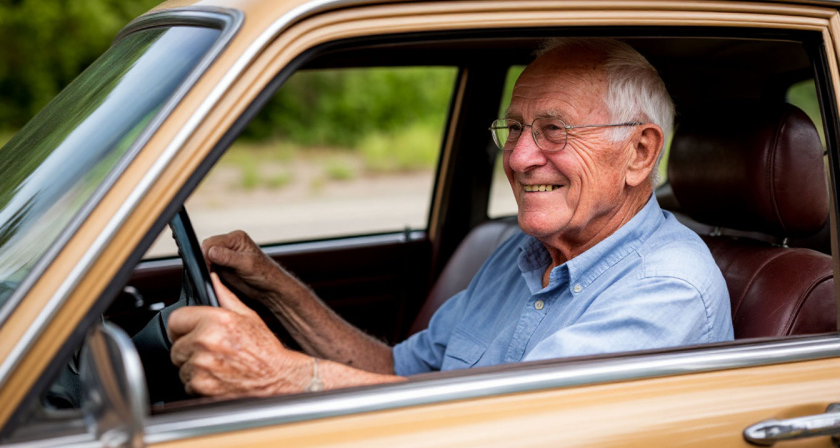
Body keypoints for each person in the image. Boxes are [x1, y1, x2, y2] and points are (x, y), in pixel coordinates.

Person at [167, 38, 734, 398]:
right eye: (514, 129)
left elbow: (508, 427)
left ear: (639, 153)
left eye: (554, 131)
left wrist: (283, 376)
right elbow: (397, 371)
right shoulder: (521, 253)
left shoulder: (668, 288)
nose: (517, 158)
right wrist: (274, 287)